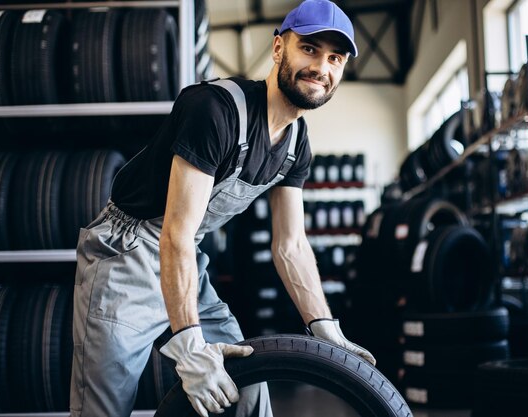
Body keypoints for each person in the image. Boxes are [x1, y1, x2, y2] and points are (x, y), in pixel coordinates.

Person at [70, 1, 376, 416]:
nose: (321, 67)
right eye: (309, 48)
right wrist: (190, 345)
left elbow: (291, 247)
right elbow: (174, 231)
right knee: (105, 407)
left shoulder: (296, 144)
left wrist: (324, 327)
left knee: (248, 381)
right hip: (126, 255)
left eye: (334, 58)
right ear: (278, 49)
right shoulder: (215, 109)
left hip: (186, 260)